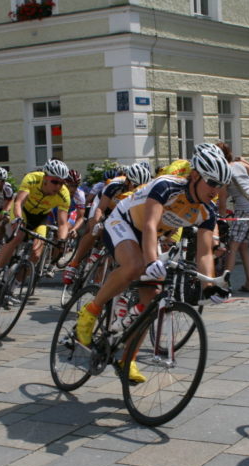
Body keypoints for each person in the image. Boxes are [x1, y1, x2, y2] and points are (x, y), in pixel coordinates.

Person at [74, 147, 233, 382]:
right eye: (212, 183)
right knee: (135, 266)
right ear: (195, 176)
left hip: (151, 236)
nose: (216, 190)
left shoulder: (207, 211)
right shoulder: (167, 186)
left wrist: (209, 286)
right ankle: (90, 312)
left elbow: (204, 254)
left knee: (152, 300)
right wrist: (151, 262)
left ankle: (127, 360)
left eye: (221, 185)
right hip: (124, 222)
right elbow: (149, 224)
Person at [0, 159, 70, 292]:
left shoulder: (64, 194)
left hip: (40, 218)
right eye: (55, 182)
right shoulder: (32, 179)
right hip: (22, 211)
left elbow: (63, 223)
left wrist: (62, 240)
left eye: (62, 183)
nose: (58, 186)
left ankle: (13, 288)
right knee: (17, 236)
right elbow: (18, 202)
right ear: (45, 177)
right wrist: (18, 219)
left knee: (36, 253)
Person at [62, 163, 152, 285]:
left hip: (120, 210)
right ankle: (74, 263)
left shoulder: (143, 192)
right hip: (103, 205)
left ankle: (99, 280)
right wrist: (97, 223)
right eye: (135, 185)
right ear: (127, 181)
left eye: (141, 187)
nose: (137, 189)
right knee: (94, 230)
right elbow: (100, 209)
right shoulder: (115, 185)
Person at [217, 142, 249, 293]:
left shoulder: (224, 171)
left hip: (244, 210)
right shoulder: (240, 165)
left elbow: (222, 199)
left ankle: (224, 284)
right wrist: (245, 161)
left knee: (232, 247)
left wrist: (222, 217)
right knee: (243, 247)